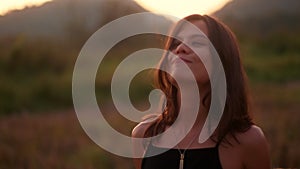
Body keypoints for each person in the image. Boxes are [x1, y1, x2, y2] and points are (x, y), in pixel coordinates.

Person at [132, 14, 271, 169]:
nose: (180, 48)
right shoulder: (144, 135)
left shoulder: (248, 141)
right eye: (176, 43)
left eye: (197, 42)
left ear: (222, 59)